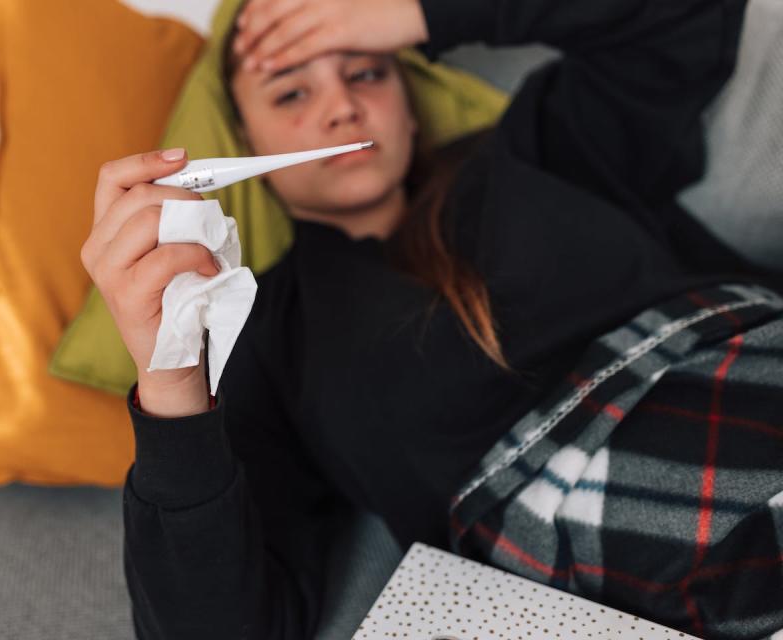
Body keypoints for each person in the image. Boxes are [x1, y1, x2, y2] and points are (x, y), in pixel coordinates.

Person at [79, 0, 775, 638]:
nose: (342, 107)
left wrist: (424, 11)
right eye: (291, 92)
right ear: (242, 145)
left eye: (366, 73)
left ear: (411, 105)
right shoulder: (267, 336)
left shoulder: (541, 147)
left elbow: (688, 19)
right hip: (626, 527)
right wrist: (169, 372)